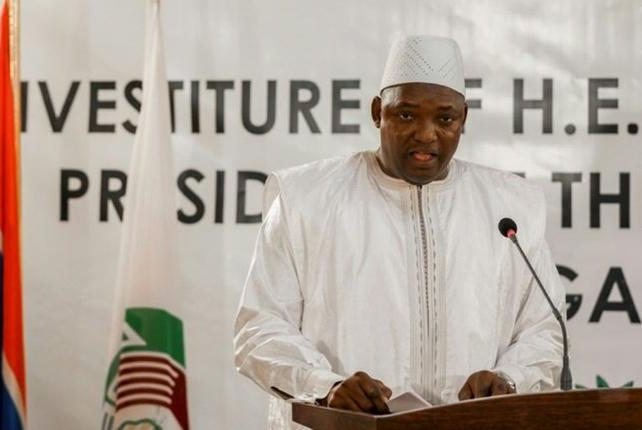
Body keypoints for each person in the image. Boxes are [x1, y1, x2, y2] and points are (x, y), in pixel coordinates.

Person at [233, 35, 566, 429]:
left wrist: (511, 380)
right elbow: (260, 328)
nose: (426, 134)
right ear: (378, 112)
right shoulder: (305, 198)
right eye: (407, 115)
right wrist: (326, 386)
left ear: (464, 119)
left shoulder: (512, 206)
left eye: (445, 119)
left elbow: (545, 330)